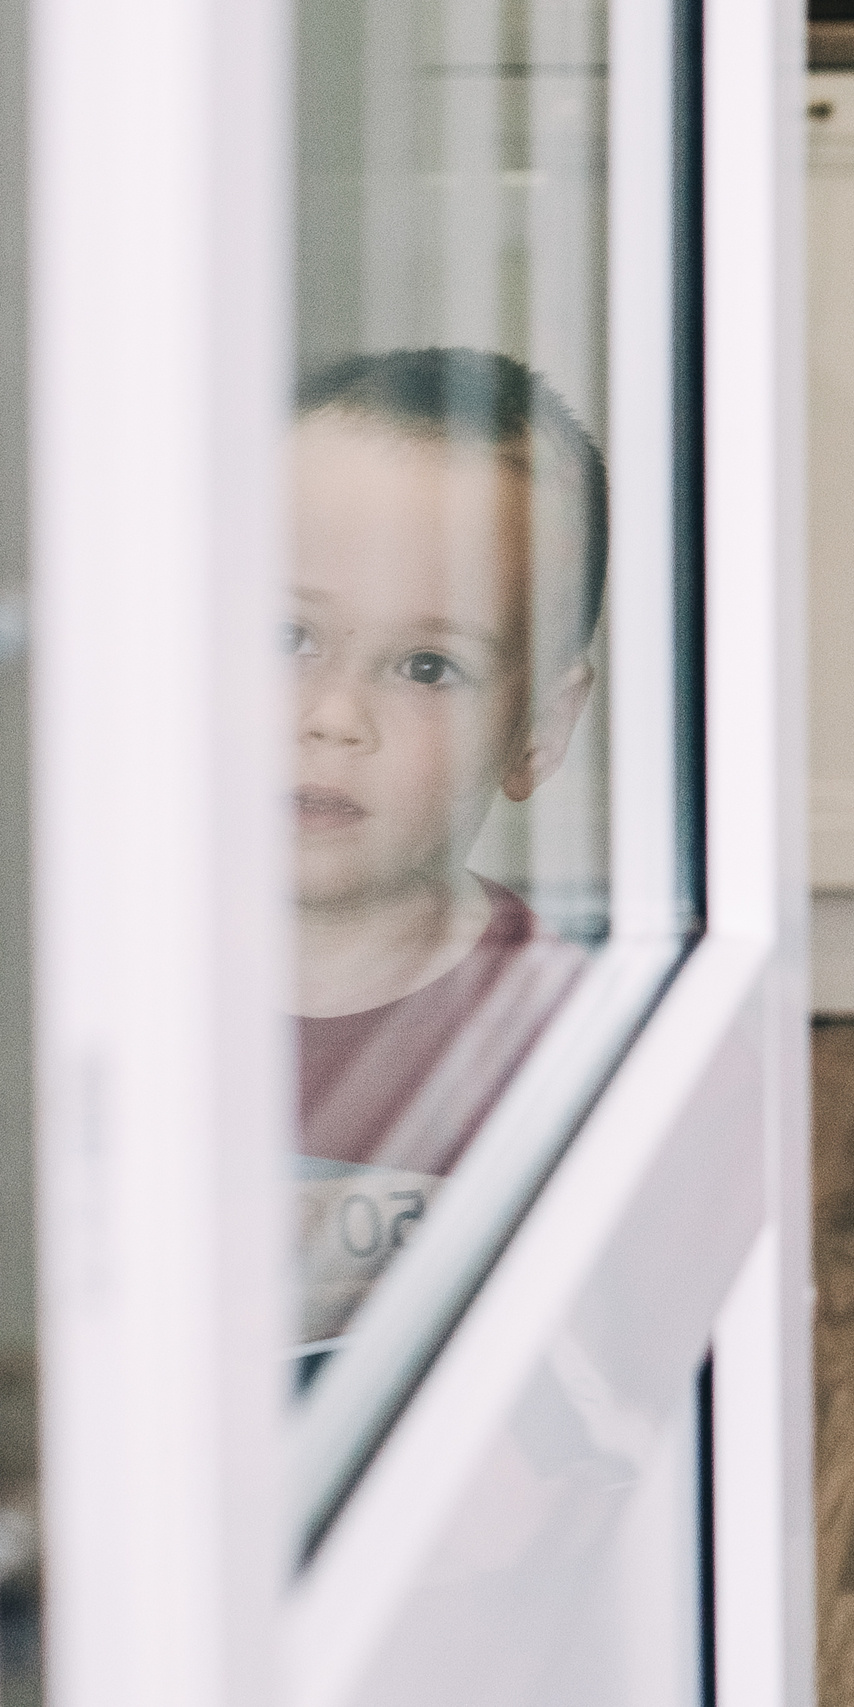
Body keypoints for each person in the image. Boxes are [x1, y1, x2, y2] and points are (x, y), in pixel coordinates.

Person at [288, 347, 605, 1349]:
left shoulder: (569, 1047)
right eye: (283, 637)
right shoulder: (87, 994)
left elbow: (627, 1415)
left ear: (541, 731)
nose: (334, 716)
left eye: (428, 666)